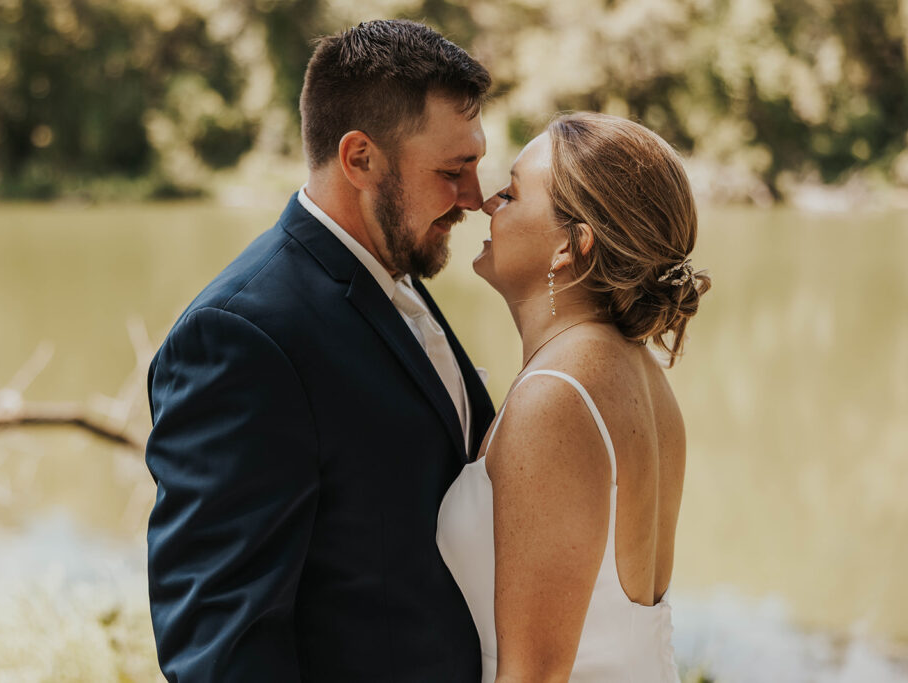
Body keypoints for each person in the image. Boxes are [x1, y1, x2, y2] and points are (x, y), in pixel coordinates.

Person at [145, 20, 495, 683]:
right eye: (454, 171)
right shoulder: (241, 336)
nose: (475, 198)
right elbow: (222, 647)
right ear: (360, 158)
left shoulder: (398, 269)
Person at [437, 111, 711, 682]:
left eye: (511, 194)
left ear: (570, 245)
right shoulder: (639, 371)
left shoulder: (556, 399)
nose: (487, 204)